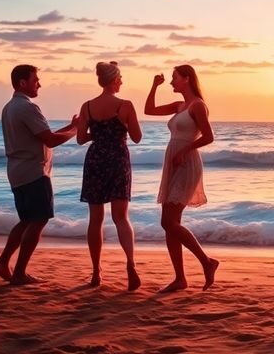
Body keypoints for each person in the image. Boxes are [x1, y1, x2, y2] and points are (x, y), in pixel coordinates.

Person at [0, 65, 77, 285]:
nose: (39, 83)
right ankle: (19, 272)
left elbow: (42, 135)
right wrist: (77, 130)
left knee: (26, 220)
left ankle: (3, 263)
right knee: (38, 220)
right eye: (35, 80)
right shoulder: (28, 108)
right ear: (22, 83)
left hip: (17, 171)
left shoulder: (9, 107)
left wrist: (71, 125)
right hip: (33, 171)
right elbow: (50, 140)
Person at [145, 64, 219, 293]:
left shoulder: (198, 106)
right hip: (174, 161)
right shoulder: (180, 106)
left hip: (186, 163)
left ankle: (207, 262)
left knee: (168, 222)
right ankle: (180, 278)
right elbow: (149, 110)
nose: (171, 82)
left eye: (174, 78)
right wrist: (154, 86)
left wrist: (184, 151)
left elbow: (209, 136)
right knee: (170, 224)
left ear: (187, 79)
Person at [77, 62, 143, 290]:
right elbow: (137, 137)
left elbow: (80, 139)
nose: (122, 81)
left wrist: (95, 134)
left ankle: (96, 272)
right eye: (121, 78)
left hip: (95, 159)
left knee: (96, 220)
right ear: (114, 80)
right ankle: (131, 265)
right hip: (117, 159)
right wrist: (125, 123)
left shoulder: (87, 106)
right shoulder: (125, 105)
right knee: (121, 218)